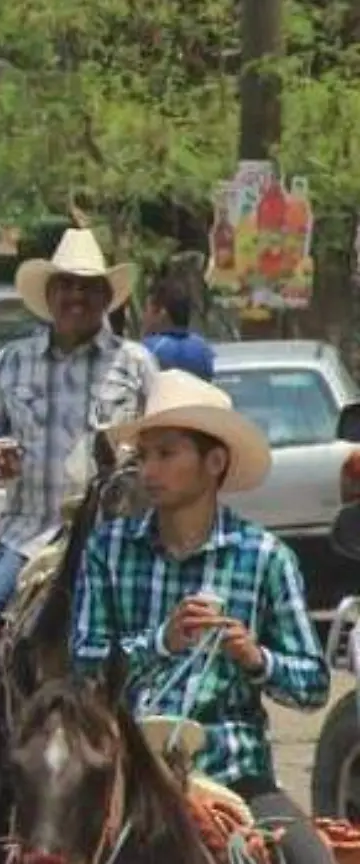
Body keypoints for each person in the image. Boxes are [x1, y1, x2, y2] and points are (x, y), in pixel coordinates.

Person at [0, 229, 157, 806]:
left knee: (154, 642)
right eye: (67, 288)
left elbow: (163, 440)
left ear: (106, 298)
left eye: (88, 289)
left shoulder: (135, 366)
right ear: (50, 295)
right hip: (27, 534)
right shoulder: (14, 359)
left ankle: (169, 759)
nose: (76, 299)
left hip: (116, 540)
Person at [72, 370, 331, 864]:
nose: (149, 470)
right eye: (144, 455)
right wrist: (161, 641)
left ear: (214, 462)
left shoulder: (265, 557)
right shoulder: (109, 549)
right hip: (129, 770)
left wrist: (256, 658)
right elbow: (84, 667)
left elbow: (314, 686)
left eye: (167, 454)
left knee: (312, 859)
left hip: (236, 773)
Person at [142, 277, 216, 382]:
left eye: (146, 310)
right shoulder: (203, 349)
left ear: (162, 314)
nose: (144, 317)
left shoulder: (149, 350)